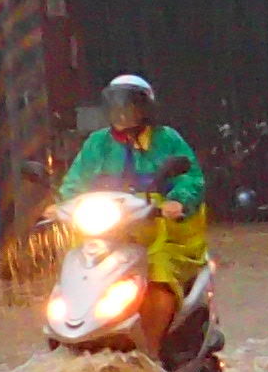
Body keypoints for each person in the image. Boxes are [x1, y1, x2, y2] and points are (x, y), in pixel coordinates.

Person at [60, 74, 209, 313]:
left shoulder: (167, 139)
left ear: (145, 109)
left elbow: (191, 178)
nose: (121, 114)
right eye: (115, 108)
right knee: (79, 270)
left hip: (160, 231)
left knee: (158, 271)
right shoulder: (97, 143)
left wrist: (178, 201)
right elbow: (74, 182)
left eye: (128, 107)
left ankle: (151, 346)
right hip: (107, 232)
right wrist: (62, 205)